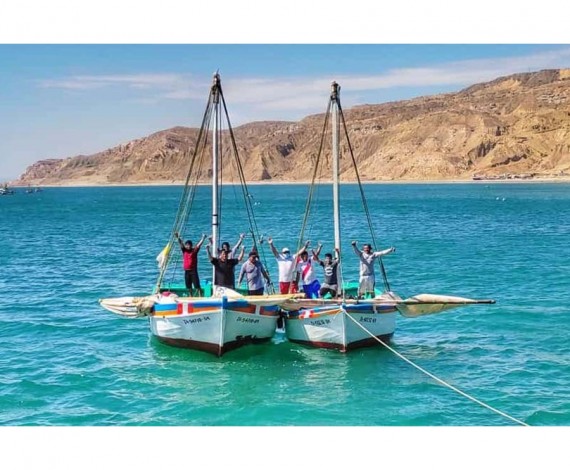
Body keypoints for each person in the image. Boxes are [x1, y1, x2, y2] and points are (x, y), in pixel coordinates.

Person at [175, 232, 207, 296]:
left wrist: (203, 238)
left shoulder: (194, 251)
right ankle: (190, 295)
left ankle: (200, 295)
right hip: (186, 271)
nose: (188, 246)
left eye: (189, 245)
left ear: (191, 245)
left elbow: (199, 245)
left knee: (196, 285)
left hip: (193, 271)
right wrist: (177, 237)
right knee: (188, 285)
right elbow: (181, 243)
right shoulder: (184, 251)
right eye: (186, 245)